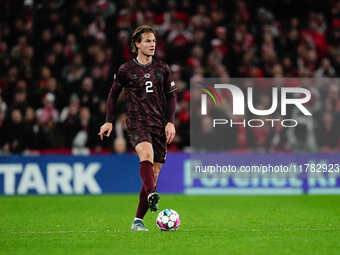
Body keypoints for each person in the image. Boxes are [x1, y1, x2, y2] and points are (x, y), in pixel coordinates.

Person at [98, 25, 177, 231]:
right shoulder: (126, 70)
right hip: (136, 121)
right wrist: (108, 120)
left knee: (155, 172)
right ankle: (152, 194)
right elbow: (113, 95)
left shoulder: (162, 68)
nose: (152, 44)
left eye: (154, 41)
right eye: (148, 41)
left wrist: (170, 122)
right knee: (146, 154)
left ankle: (138, 221)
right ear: (137, 44)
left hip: (159, 123)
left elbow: (171, 97)